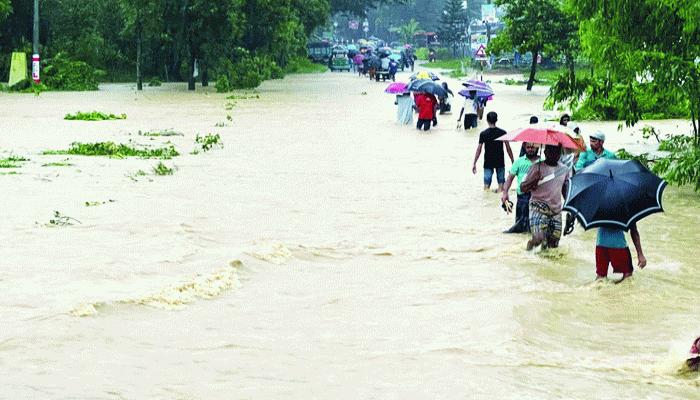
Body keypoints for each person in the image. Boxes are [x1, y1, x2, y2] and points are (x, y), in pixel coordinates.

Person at [520, 144, 570, 250]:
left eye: (557, 151)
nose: (554, 154)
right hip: (538, 207)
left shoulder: (564, 169)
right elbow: (522, 188)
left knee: (554, 244)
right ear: (545, 152)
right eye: (551, 151)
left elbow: (565, 192)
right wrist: (534, 179)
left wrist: (571, 210)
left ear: (561, 153)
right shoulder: (536, 167)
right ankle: (529, 251)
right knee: (538, 239)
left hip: (556, 210)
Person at [502, 142, 540, 233]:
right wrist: (505, 193)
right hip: (522, 197)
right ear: (524, 147)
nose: (531, 149)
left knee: (535, 227)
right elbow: (509, 179)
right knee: (520, 227)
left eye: (533, 147)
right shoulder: (519, 162)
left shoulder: (542, 163)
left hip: (537, 198)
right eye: (528, 147)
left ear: (538, 148)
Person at [472, 111, 514, 192]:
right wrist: (513, 161)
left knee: (486, 187)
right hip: (500, 161)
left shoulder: (483, 134)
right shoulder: (502, 132)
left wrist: (474, 163)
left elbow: (479, 150)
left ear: (487, 120)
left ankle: (487, 202)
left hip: (488, 162)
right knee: (501, 186)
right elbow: (508, 148)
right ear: (496, 120)